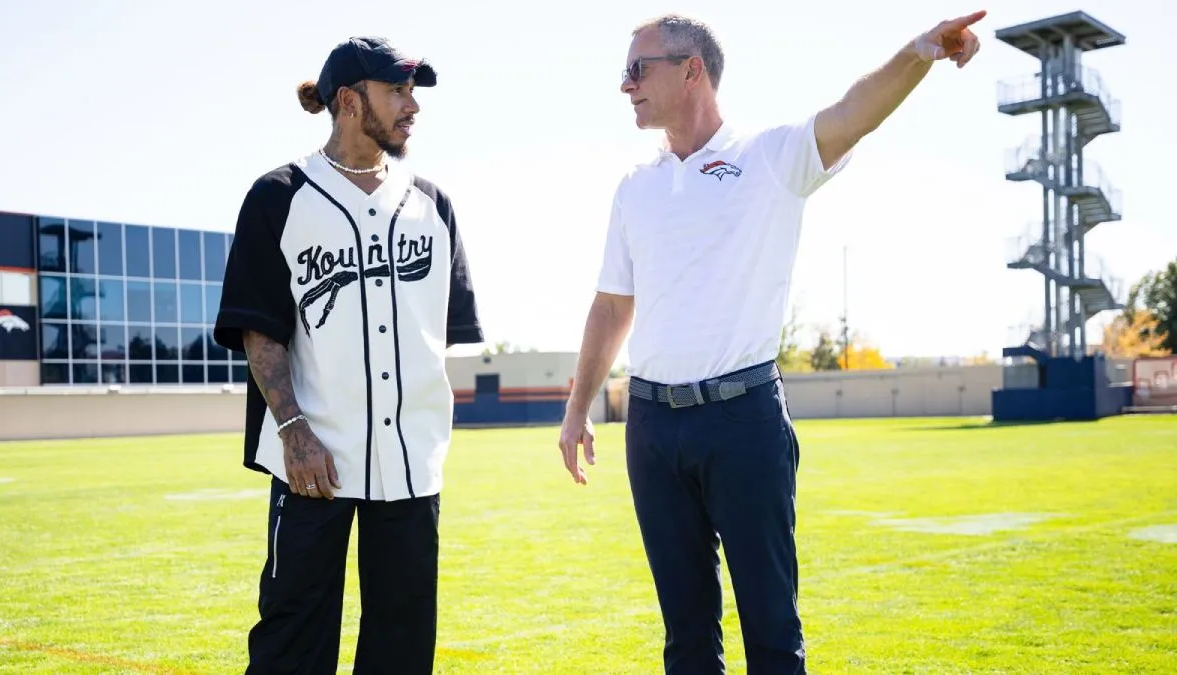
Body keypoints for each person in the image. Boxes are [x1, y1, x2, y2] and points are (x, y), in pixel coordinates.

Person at [557, 11, 985, 674]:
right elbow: (613, 305)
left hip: (743, 422)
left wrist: (919, 52)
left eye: (638, 69)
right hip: (652, 427)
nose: (626, 85)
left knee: (772, 630)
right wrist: (577, 407)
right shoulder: (635, 187)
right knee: (686, 637)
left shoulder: (768, 157)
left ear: (691, 70)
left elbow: (853, 114)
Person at [213, 35, 484, 674]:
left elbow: (437, 335)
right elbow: (259, 330)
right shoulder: (279, 195)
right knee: (292, 642)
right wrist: (292, 429)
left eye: (413, 92)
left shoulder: (433, 204)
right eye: (397, 91)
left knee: (402, 646)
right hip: (313, 460)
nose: (411, 105)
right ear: (349, 100)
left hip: (410, 463)